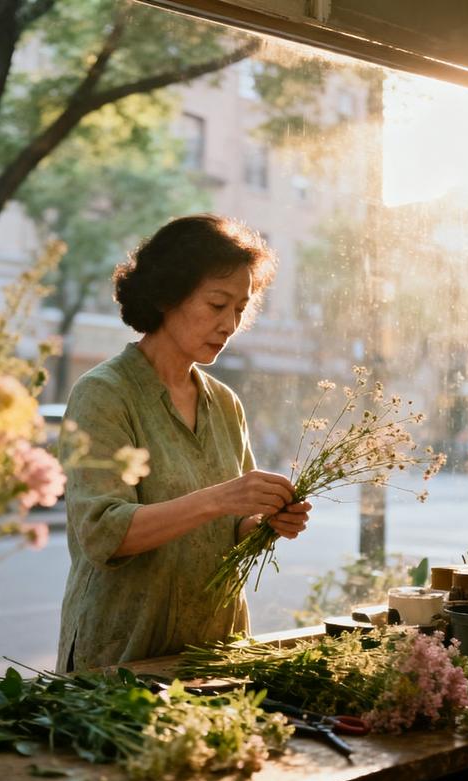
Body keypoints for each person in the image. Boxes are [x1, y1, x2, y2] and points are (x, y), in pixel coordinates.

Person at [56, 214, 312, 671]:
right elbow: (103, 533)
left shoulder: (225, 404)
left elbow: (232, 527)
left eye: (240, 308)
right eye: (217, 305)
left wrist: (266, 524)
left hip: (213, 651)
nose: (230, 323)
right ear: (166, 296)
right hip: (123, 658)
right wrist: (221, 498)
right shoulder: (104, 393)